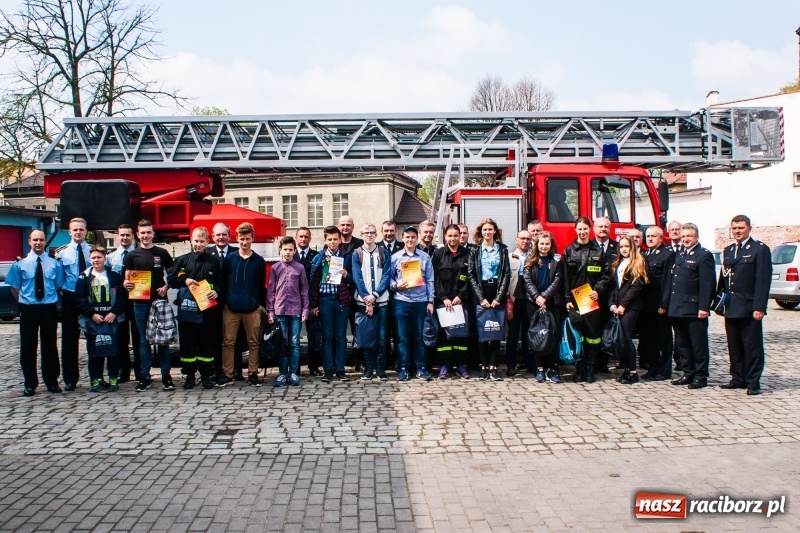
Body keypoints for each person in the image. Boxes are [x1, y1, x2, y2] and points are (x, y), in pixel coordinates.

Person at [6, 229, 65, 396]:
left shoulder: (55, 263)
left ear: (46, 241)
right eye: (35, 240)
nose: (38, 243)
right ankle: (30, 383)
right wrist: (24, 303)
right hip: (29, 308)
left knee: (50, 345)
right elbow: (14, 288)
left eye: (41, 240)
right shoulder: (20, 263)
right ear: (29, 242)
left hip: (48, 308)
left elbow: (58, 285)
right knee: (28, 346)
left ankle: (51, 381)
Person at [718, 215, 772, 395]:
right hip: (732, 306)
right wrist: (719, 302)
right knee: (734, 345)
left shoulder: (759, 250)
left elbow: (762, 280)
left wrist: (760, 307)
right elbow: (724, 280)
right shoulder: (728, 250)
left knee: (752, 346)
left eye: (741, 228)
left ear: (749, 228)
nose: (737, 231)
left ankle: (753, 381)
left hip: (749, 307)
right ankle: (738, 378)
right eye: (734, 228)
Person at [123, 219, 175, 392]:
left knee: (162, 340)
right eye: (142, 233)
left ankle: (166, 377)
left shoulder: (162, 253)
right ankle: (144, 377)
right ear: (137, 235)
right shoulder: (131, 256)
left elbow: (172, 275)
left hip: (159, 302)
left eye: (148, 232)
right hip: (140, 302)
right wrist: (126, 284)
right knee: (143, 341)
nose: (145, 236)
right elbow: (127, 278)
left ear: (153, 233)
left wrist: (166, 286)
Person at [169, 226, 223, 390]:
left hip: (207, 310)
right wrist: (184, 280)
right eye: (196, 241)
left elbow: (221, 282)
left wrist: (216, 291)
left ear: (208, 242)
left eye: (202, 241)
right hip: (188, 310)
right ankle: (189, 376)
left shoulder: (214, 261)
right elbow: (171, 279)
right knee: (188, 343)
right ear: (191, 240)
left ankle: (206, 375)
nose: (198, 244)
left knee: (206, 342)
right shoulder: (182, 260)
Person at [663, 223, 715, 390]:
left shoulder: (703, 255)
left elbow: (708, 284)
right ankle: (687, 372)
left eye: (689, 236)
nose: (685, 239)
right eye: (683, 236)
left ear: (697, 237)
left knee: (698, 344)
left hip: (694, 309)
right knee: (682, 343)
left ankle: (701, 376)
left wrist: (704, 307)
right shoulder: (678, 255)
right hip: (677, 307)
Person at [217, 222, 266, 387]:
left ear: (252, 239)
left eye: (247, 239)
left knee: (254, 342)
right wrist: (225, 304)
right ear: (236, 239)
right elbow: (223, 283)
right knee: (228, 342)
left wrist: (258, 305)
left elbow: (260, 285)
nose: (244, 242)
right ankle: (228, 373)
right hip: (231, 308)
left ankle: (253, 373)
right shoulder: (230, 259)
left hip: (252, 309)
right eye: (241, 239)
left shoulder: (258, 261)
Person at [563, 216, 610, 383]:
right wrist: (567, 298)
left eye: (585, 229)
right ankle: (579, 370)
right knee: (578, 336)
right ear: (575, 230)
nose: (582, 232)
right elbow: (565, 277)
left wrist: (598, 290)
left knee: (592, 336)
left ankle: (590, 370)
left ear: (589, 230)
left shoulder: (598, 251)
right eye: (579, 229)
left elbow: (606, 275)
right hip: (575, 299)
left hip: (590, 299)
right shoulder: (569, 250)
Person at [75, 245, 127, 392]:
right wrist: (92, 314)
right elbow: (79, 299)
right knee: (94, 350)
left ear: (105, 258)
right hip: (92, 320)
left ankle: (113, 378)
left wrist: (114, 313)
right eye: (93, 258)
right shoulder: (83, 277)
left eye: (99, 257)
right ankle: (96, 379)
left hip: (112, 319)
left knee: (113, 350)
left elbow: (122, 298)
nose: (96, 260)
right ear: (89, 259)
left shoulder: (115, 276)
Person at [467, 218, 511, 382]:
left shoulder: (503, 250)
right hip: (481, 292)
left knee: (496, 330)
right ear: (481, 232)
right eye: (484, 230)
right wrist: (480, 298)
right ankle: (484, 367)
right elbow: (471, 274)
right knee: (483, 331)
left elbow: (506, 274)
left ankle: (493, 367)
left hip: (497, 292)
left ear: (495, 231)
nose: (487, 232)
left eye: (490, 229)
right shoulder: (475, 251)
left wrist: (499, 297)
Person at [391, 225, 435, 381]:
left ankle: (420, 368)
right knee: (402, 337)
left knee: (419, 337)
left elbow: (430, 279)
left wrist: (430, 301)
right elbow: (388, 278)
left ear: (417, 239)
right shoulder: (395, 257)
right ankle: (403, 368)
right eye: (407, 237)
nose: (410, 239)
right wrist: (396, 285)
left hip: (420, 301)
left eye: (413, 237)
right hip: (401, 301)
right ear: (402, 238)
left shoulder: (424, 257)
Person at [310, 226, 353, 383]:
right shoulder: (319, 258)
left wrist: (346, 275)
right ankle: (328, 370)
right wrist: (314, 304)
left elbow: (354, 279)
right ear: (325, 240)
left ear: (340, 240)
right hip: (325, 300)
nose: (333, 242)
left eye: (335, 239)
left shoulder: (347, 257)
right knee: (327, 336)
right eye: (330, 239)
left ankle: (340, 370)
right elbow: (313, 283)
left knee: (340, 336)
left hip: (341, 300)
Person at [522, 231, 564, 383]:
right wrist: (538, 297)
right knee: (537, 335)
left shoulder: (557, 261)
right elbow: (527, 281)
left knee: (552, 334)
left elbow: (558, 280)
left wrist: (545, 296)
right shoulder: (529, 260)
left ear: (551, 245)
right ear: (536, 245)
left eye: (547, 244)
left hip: (552, 302)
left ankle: (551, 369)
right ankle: (539, 368)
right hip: (533, 302)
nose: (544, 247)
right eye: (542, 244)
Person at [351, 223, 392, 381]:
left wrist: (375, 295)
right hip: (362, 303)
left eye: (372, 232)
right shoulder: (357, 254)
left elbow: (387, 276)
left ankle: (380, 368)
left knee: (382, 337)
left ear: (376, 235)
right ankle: (368, 368)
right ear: (361, 234)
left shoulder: (383, 252)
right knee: (367, 337)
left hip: (381, 302)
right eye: (366, 232)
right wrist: (367, 299)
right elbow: (357, 278)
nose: (369, 235)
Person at [267, 236, 310, 387]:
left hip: (295, 310)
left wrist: (306, 309)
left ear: (294, 251)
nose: (287, 252)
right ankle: (282, 372)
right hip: (280, 310)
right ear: (280, 250)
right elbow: (271, 290)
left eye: (290, 250)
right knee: (282, 343)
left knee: (294, 342)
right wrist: (270, 311)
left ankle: (293, 372)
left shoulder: (299, 268)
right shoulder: (275, 268)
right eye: (285, 249)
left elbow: (304, 290)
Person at [56, 217, 91, 391]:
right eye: (75, 230)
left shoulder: (92, 251)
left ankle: (96, 376)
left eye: (81, 229)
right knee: (69, 339)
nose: (78, 232)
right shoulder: (61, 253)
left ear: (86, 231)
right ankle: (70, 378)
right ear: (69, 232)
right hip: (70, 297)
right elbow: (58, 280)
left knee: (94, 336)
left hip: (90, 297)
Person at [431, 224, 471, 380]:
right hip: (444, 304)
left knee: (461, 336)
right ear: (445, 236)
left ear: (460, 236)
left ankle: (461, 365)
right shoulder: (438, 255)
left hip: (461, 302)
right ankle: (445, 365)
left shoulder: (468, 254)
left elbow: (471, 277)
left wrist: (461, 295)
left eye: (456, 235)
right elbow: (434, 278)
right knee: (444, 337)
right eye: (450, 235)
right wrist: (444, 298)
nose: (453, 238)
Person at [207, 223, 245, 381]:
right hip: (212, 302)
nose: (221, 237)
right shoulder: (207, 253)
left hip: (232, 301)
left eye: (224, 235)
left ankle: (236, 369)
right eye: (218, 235)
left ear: (230, 236)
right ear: (213, 236)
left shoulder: (238, 253)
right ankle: (217, 369)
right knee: (216, 337)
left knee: (234, 336)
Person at [609, 236, 648, 385]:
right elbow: (615, 287)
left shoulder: (638, 262)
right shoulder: (618, 263)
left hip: (631, 307)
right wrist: (612, 303)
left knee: (626, 338)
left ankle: (633, 372)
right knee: (620, 340)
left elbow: (636, 287)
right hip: (618, 306)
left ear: (632, 247)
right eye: (622, 247)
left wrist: (623, 305)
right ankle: (626, 368)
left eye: (627, 246)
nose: (624, 249)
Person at [637, 226, 675, 381]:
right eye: (648, 236)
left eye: (654, 236)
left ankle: (664, 370)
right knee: (649, 339)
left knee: (663, 339)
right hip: (646, 305)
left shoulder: (667, 255)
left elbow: (667, 282)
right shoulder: (645, 254)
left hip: (659, 305)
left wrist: (664, 304)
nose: (650, 239)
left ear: (661, 238)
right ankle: (652, 368)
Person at [106, 224, 140, 383]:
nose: (125, 237)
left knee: (139, 335)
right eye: (122, 235)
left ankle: (140, 371)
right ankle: (123, 371)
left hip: (137, 298)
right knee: (120, 336)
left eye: (128, 235)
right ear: (117, 236)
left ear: (133, 236)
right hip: (119, 300)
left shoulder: (139, 254)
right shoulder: (111, 258)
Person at [294, 227, 322, 376]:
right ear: (296, 238)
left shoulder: (316, 256)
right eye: (301, 236)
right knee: (294, 337)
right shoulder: (290, 255)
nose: (303, 239)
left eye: (306, 237)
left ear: (310, 239)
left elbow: (318, 282)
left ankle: (314, 366)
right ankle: (295, 367)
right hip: (294, 303)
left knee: (314, 337)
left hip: (312, 303)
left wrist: (314, 304)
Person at [505, 230, 533, 375]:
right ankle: (511, 365)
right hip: (514, 298)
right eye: (522, 238)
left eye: (528, 239)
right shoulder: (509, 257)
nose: (525, 241)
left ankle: (530, 363)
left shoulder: (535, 257)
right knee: (513, 334)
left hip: (530, 299)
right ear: (516, 240)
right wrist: (506, 297)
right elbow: (505, 278)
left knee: (528, 332)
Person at [593, 216, 617, 374]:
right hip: (591, 295)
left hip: (610, 295)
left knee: (606, 329)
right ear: (594, 229)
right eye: (600, 226)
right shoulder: (588, 247)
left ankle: (603, 362)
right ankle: (591, 362)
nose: (603, 229)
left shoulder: (618, 247)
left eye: (606, 227)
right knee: (591, 330)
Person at [379, 220, 402, 372]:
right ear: (382, 232)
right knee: (384, 332)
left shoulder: (402, 247)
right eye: (386, 231)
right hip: (382, 296)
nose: (389, 233)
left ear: (395, 231)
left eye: (391, 231)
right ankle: (386, 361)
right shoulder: (376, 248)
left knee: (399, 332)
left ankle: (399, 361)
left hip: (401, 295)